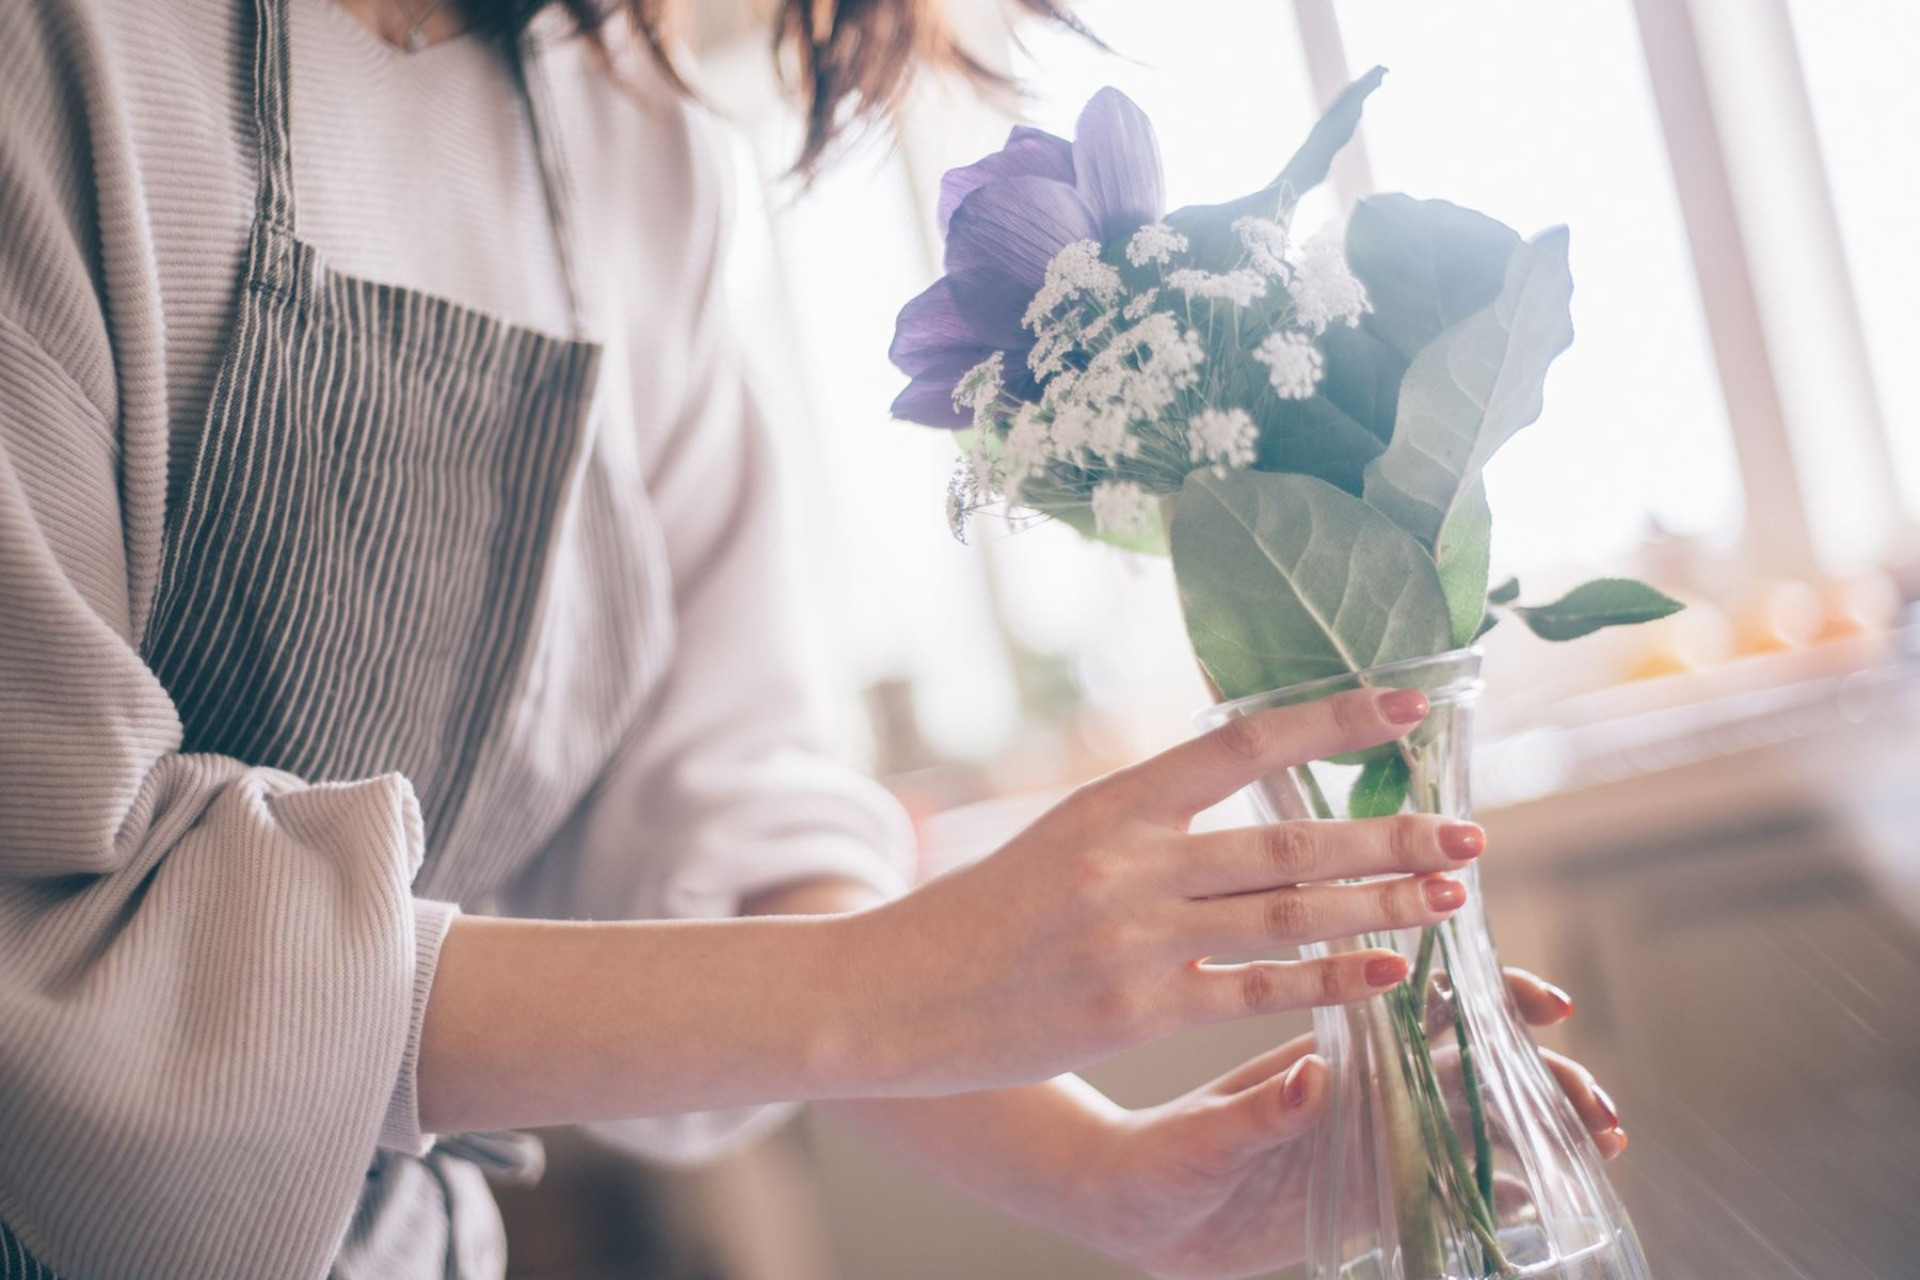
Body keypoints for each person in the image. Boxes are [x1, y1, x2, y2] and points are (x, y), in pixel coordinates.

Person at [0, 1, 1626, 1276]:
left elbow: (722, 835)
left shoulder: (629, 147)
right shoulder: (54, 56)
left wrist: (1110, 1177)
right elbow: (46, 942)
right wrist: (903, 982)